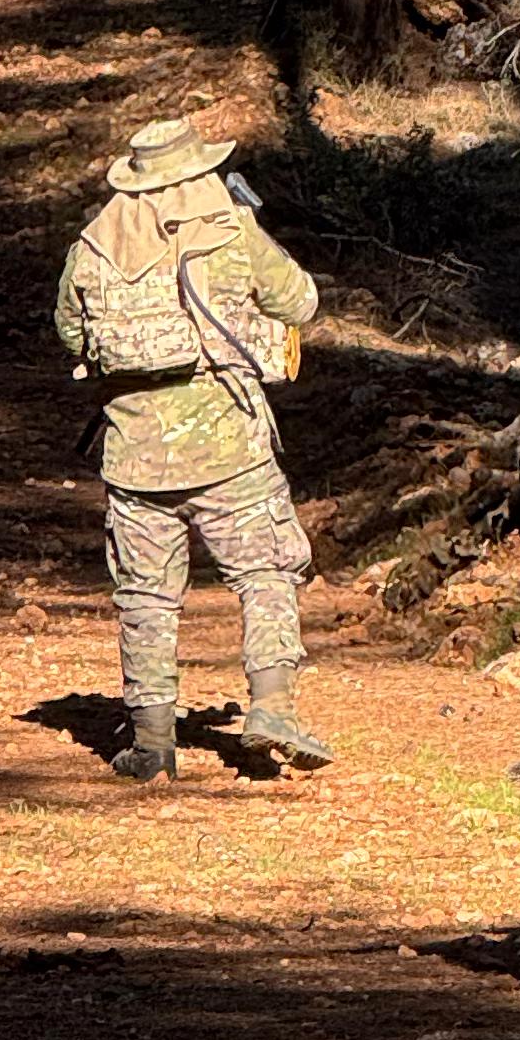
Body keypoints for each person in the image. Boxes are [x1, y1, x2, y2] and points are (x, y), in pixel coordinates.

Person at [54, 117, 328, 783]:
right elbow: (301, 301)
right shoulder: (231, 229)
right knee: (264, 572)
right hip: (231, 448)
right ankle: (273, 708)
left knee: (146, 596)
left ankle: (152, 742)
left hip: (134, 458)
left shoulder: (94, 244)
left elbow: (69, 332)